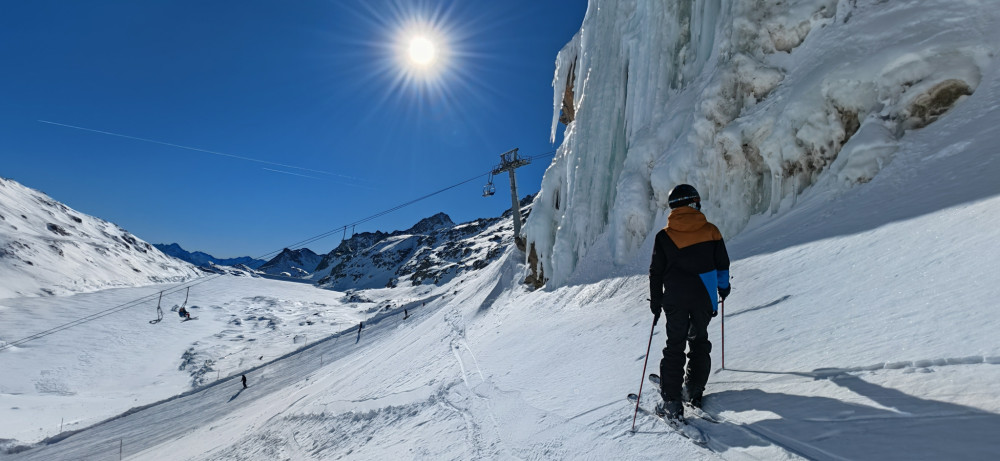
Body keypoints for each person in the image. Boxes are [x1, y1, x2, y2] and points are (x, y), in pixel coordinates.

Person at [648, 184, 730, 422]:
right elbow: (722, 265)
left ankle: (672, 403)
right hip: (704, 298)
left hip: (675, 300)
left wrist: (656, 303)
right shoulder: (712, 231)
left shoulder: (664, 237)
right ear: (695, 203)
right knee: (699, 341)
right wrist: (723, 289)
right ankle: (693, 390)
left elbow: (656, 272)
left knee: (675, 346)